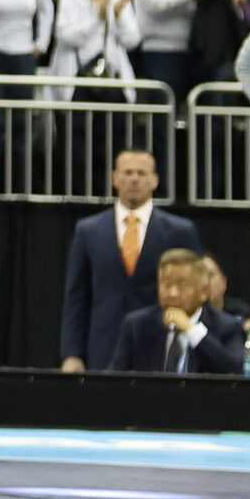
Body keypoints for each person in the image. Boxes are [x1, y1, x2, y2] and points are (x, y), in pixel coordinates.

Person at [58, 146, 203, 372]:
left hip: (160, 349)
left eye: (141, 173)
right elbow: (76, 297)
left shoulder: (180, 231)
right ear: (114, 178)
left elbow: (197, 293)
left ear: (155, 180)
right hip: (103, 349)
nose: (134, 179)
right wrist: (72, 354)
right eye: (127, 173)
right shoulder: (88, 231)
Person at [110, 248, 243, 373]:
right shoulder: (137, 325)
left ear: (204, 292)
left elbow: (235, 370)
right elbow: (115, 378)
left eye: (182, 285)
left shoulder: (226, 327)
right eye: (166, 284)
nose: (173, 293)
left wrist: (190, 329)